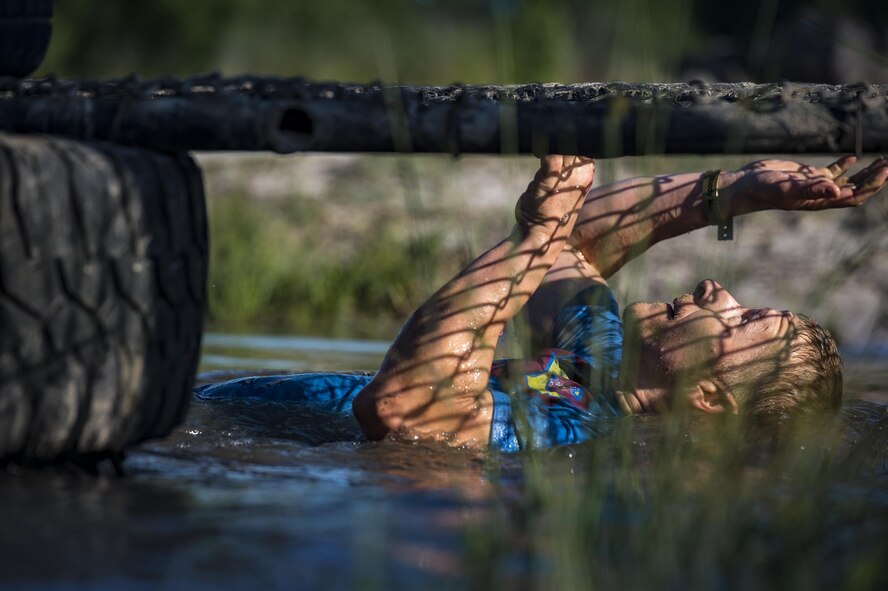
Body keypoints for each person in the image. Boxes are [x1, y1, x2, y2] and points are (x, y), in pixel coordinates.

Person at [196, 154, 888, 451]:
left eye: (741, 320)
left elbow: (403, 407)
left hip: (208, 449)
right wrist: (734, 190)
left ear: (710, 396)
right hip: (198, 405)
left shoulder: (573, 430)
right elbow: (575, 249)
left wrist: (533, 233)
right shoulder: (593, 371)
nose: (718, 291)